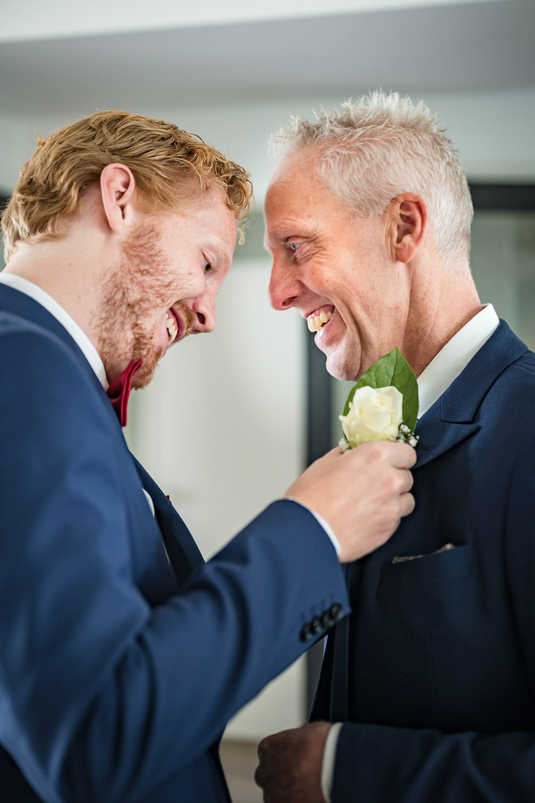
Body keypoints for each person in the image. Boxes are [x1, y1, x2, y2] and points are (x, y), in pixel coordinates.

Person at [0, 110, 416, 803]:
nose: (208, 314)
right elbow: (91, 734)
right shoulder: (24, 366)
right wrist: (310, 529)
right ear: (119, 198)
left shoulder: (45, 371)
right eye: (206, 263)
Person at [256, 91, 535, 803]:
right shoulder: (375, 432)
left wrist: (341, 767)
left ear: (403, 226)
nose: (276, 292)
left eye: (296, 247)